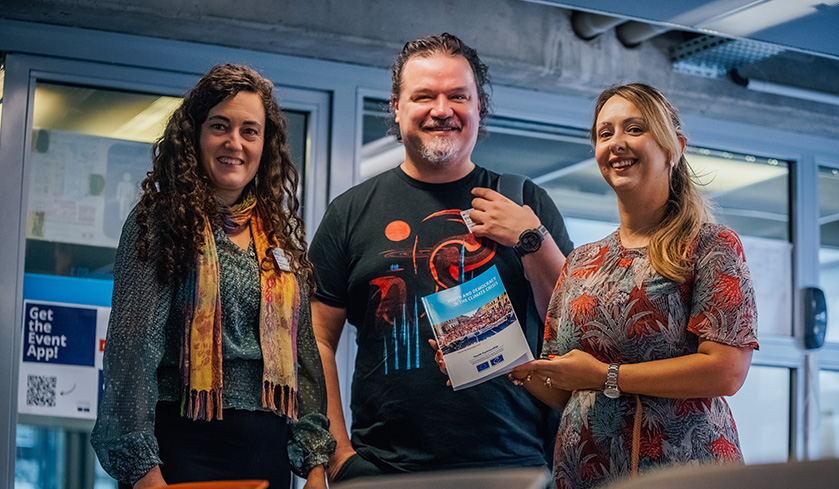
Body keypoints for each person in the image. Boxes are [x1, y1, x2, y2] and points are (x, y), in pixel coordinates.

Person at [308, 33, 574, 482]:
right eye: (424, 96)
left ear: (478, 107)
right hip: (383, 469)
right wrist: (336, 456)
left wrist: (531, 238)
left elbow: (570, 325)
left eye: (458, 96)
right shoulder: (350, 212)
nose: (442, 109)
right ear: (397, 107)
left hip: (511, 465)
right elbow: (315, 339)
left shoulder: (525, 201)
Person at [91, 64, 335, 489]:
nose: (234, 143)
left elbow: (304, 359)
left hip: (268, 457)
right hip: (181, 453)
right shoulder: (159, 221)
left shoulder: (277, 236)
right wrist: (144, 473)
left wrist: (315, 465)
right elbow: (132, 352)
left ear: (265, 145)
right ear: (195, 135)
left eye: (249, 131)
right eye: (220, 126)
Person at [510, 83, 759, 489]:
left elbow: (726, 372)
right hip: (586, 472)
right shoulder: (581, 261)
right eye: (605, 133)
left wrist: (607, 376)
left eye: (635, 129)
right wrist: (496, 362)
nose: (616, 143)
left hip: (682, 471)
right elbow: (565, 388)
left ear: (674, 147)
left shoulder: (711, 246)